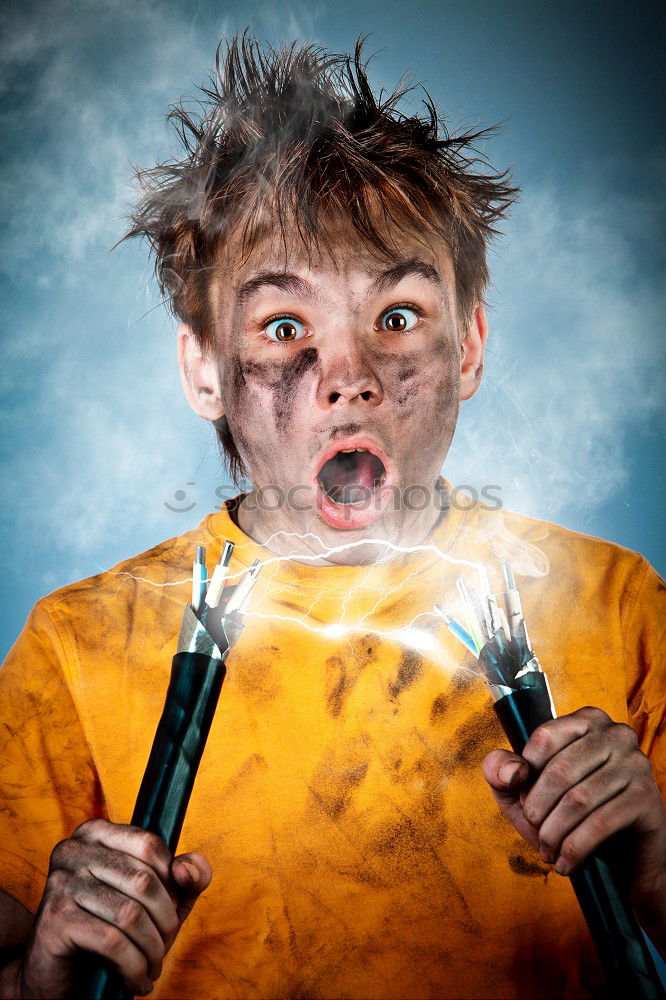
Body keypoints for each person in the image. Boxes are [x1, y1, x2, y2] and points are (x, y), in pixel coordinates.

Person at [0, 33, 664, 1000]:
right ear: (202, 369)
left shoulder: (618, 607)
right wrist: (40, 983)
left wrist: (652, 869)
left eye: (397, 315)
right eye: (282, 329)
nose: (347, 378)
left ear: (469, 345)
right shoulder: (81, 646)